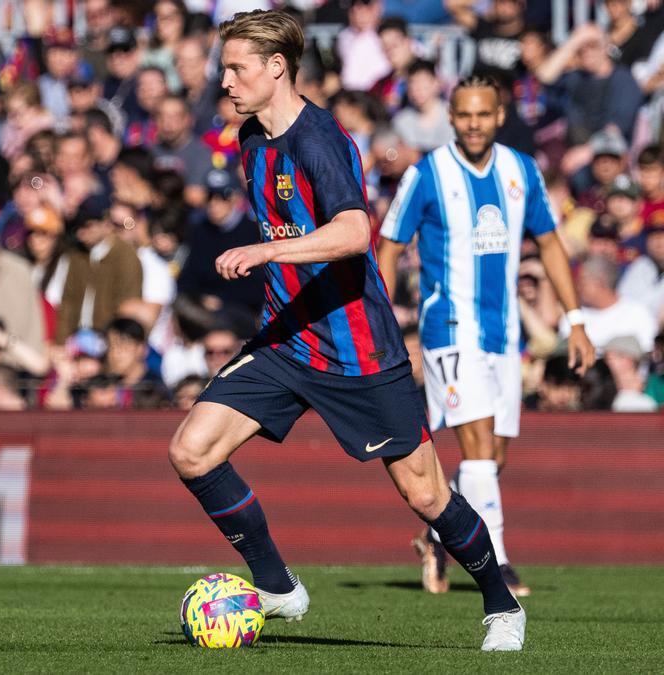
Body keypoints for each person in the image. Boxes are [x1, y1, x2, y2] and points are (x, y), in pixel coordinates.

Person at [167, 11, 526, 652]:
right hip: (284, 342)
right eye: (223, 67)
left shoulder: (319, 140)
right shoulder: (251, 139)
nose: (224, 81)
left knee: (425, 493)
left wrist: (268, 253)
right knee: (192, 451)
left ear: (277, 68)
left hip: (357, 350)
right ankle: (277, 586)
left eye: (236, 68)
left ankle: (501, 604)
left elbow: (356, 232)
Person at [377, 74, 597, 599]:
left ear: (500, 116)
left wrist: (576, 320)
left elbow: (548, 244)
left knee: (493, 458)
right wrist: (383, 324)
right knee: (475, 450)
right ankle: (496, 563)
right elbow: (387, 247)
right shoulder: (427, 174)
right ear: (451, 117)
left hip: (504, 333)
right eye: (465, 114)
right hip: (450, 327)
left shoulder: (522, 171)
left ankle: (436, 535)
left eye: (484, 114)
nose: (474, 124)